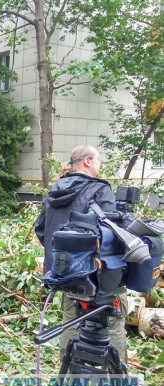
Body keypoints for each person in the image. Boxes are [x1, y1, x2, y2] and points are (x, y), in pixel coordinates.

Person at [34, 145, 128, 362]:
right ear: (87, 161)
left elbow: (41, 230)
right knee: (112, 323)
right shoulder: (99, 189)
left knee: (71, 320)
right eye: (98, 160)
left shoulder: (55, 190)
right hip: (98, 276)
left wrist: (63, 258)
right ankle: (113, 380)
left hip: (63, 275)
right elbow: (111, 234)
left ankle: (69, 375)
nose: (99, 164)